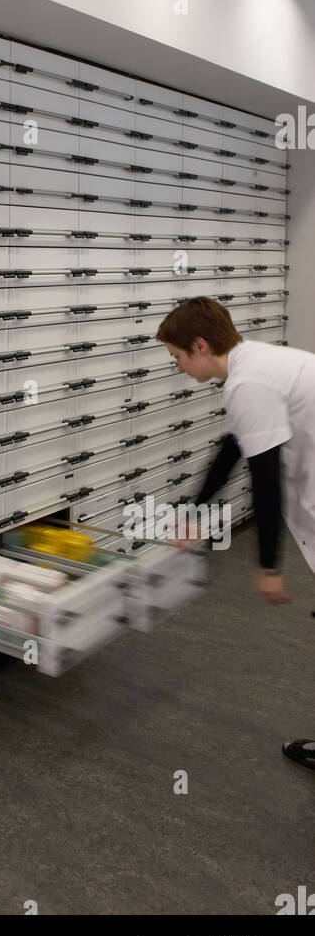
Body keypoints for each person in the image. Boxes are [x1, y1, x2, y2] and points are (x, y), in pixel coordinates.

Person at [155, 296, 315, 773]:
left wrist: (269, 567)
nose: (179, 368)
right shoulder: (255, 365)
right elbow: (233, 449)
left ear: (200, 345)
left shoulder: (248, 382)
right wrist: (194, 513)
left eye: (178, 358)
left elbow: (265, 483)